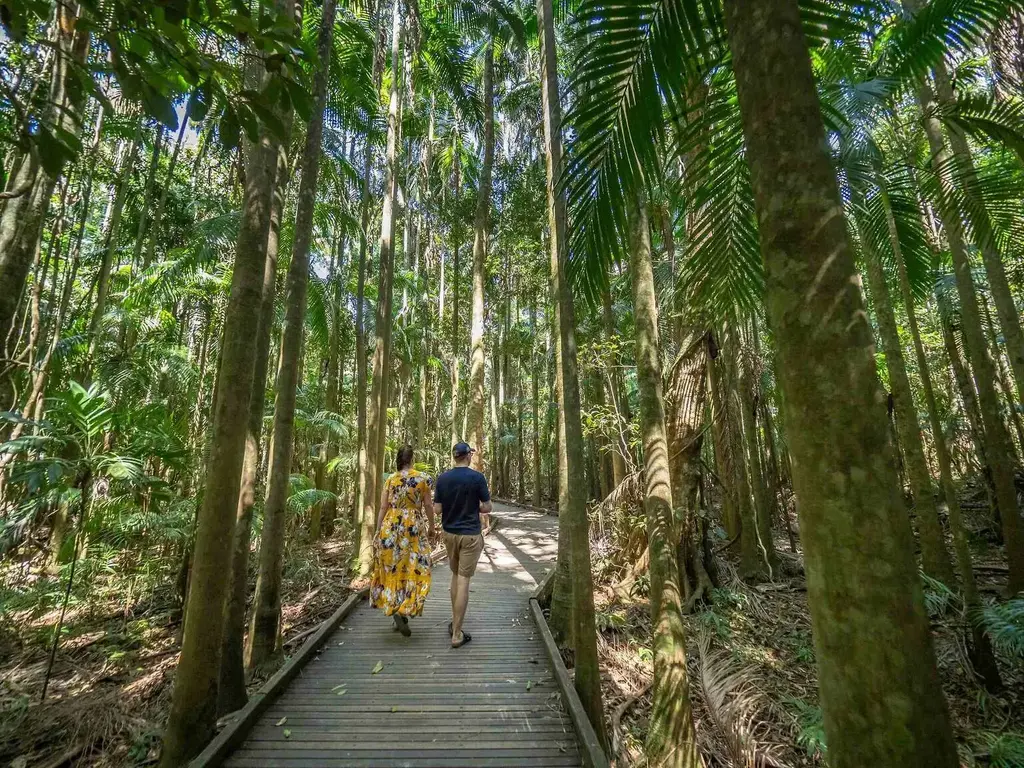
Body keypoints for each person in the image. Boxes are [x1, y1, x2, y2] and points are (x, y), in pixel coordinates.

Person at [369, 445, 436, 637]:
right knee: (416, 565)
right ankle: (406, 607)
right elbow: (428, 505)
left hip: (391, 526)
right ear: (412, 459)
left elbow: (383, 507)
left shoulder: (391, 479)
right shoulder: (423, 479)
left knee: (393, 567)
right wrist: (432, 526)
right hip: (413, 527)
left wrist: (378, 530)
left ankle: (395, 608)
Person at [433, 442, 492, 648]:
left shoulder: (443, 478)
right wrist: (477, 506)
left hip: (449, 534)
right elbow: (487, 507)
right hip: (470, 536)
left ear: (454, 457)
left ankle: (455, 621)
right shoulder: (477, 478)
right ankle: (457, 633)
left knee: (455, 575)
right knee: (464, 580)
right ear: (468, 456)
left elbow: (437, 509)